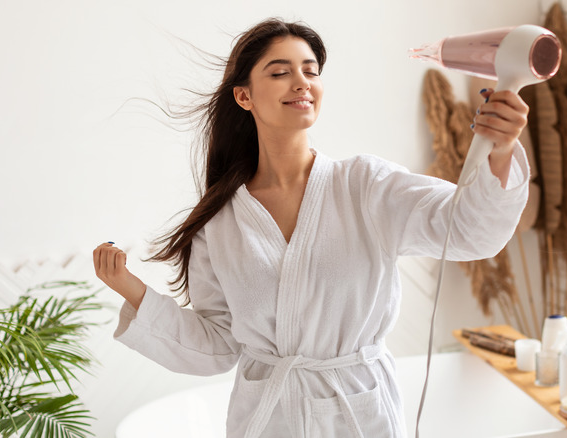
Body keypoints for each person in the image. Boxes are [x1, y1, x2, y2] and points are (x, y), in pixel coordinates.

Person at [93, 17, 530, 438]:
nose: (302, 82)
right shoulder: (223, 219)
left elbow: (472, 232)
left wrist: (502, 149)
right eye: (280, 72)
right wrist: (131, 289)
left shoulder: (366, 185)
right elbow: (219, 346)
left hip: (358, 413)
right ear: (244, 97)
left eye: (311, 71)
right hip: (266, 420)